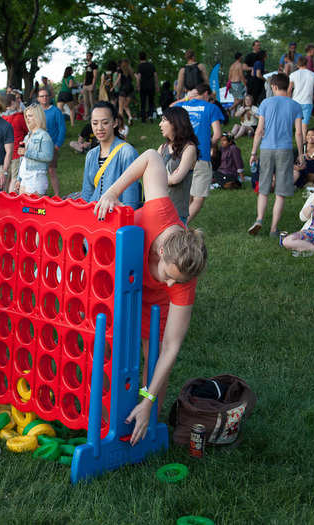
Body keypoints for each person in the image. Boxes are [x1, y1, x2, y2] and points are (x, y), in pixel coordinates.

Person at [93, 149, 207, 445]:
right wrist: (113, 192)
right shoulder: (159, 212)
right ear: (160, 251)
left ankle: (147, 417)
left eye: (177, 281)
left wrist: (149, 398)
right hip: (119, 278)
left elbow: (171, 346)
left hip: (154, 302)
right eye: (169, 274)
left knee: (153, 355)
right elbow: (151, 157)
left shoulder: (182, 281)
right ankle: (106, 415)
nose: (172, 283)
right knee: (105, 345)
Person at [247, 73, 304, 237]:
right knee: (280, 192)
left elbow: (259, 130)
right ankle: (273, 229)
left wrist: (253, 152)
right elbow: (299, 133)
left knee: (264, 189)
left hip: (266, 149)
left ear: (273, 86)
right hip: (285, 150)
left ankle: (259, 219)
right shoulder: (295, 105)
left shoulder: (265, 103)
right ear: (288, 86)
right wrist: (301, 155)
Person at [175, 83, 223, 224]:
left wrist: (185, 98)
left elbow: (169, 109)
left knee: (186, 193)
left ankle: (178, 222)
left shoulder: (183, 105)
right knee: (199, 197)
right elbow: (218, 134)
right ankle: (182, 225)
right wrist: (211, 144)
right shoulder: (211, 108)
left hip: (181, 154)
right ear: (206, 94)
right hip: (201, 155)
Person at [80, 101, 140, 209]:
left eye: (105, 122)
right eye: (95, 123)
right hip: (93, 215)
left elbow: (130, 198)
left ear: (115, 123)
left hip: (117, 216)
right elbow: (87, 193)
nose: (99, 128)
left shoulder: (127, 152)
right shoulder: (91, 155)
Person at [157, 106, 198, 223]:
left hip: (177, 212)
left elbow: (176, 179)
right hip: (157, 207)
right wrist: (167, 177)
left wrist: (160, 177)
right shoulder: (162, 148)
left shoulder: (189, 148)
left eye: (164, 120)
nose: (160, 124)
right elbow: (151, 173)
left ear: (175, 123)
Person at [13, 103, 53, 195]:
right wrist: (19, 179)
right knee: (23, 208)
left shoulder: (44, 135)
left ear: (38, 117)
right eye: (26, 116)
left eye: (30, 116)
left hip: (37, 177)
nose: (27, 118)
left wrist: (27, 152)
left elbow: (48, 156)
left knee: (35, 209)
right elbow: (23, 161)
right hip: (25, 177)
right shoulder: (27, 137)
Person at [38, 87, 66, 196]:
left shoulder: (55, 111)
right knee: (40, 172)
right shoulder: (36, 111)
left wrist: (58, 144)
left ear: (49, 97)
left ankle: (57, 195)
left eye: (46, 96)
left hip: (51, 146)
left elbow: (62, 128)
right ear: (38, 98)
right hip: (38, 146)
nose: (44, 98)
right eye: (41, 96)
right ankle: (42, 194)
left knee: (51, 171)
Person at [289, 56, 314, 138]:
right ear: (307, 64)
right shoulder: (313, 75)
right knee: (304, 128)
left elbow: (289, 90)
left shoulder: (293, 75)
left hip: (295, 102)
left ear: (297, 65)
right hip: (307, 102)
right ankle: (304, 147)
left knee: (296, 127)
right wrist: (313, 98)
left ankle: (296, 147)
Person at [2, 93, 28, 192]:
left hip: (5, 153)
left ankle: (2, 197)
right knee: (15, 177)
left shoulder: (2, 118)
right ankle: (12, 198)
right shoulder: (19, 117)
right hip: (17, 151)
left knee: (5, 177)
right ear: (13, 102)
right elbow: (27, 131)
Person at [137, 51, 158, 122]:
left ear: (139, 57)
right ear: (146, 57)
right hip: (151, 86)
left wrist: (138, 86)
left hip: (143, 86)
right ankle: (150, 116)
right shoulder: (151, 65)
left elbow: (138, 77)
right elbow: (155, 76)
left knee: (143, 102)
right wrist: (156, 85)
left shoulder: (140, 66)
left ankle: (143, 118)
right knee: (151, 102)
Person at [115, 59, 136, 125]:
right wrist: (138, 85)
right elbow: (136, 77)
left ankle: (120, 123)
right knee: (125, 105)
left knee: (120, 107)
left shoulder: (120, 70)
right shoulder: (131, 70)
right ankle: (130, 118)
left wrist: (114, 86)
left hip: (123, 89)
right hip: (130, 89)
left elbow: (118, 79)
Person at [83, 51, 98, 117]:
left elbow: (95, 76)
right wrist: (83, 85)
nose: (87, 57)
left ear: (91, 57)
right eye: (86, 56)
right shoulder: (86, 66)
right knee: (86, 102)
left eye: (88, 56)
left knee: (92, 102)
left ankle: (94, 115)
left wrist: (93, 85)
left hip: (91, 85)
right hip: (85, 86)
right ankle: (87, 115)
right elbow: (86, 77)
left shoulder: (94, 65)